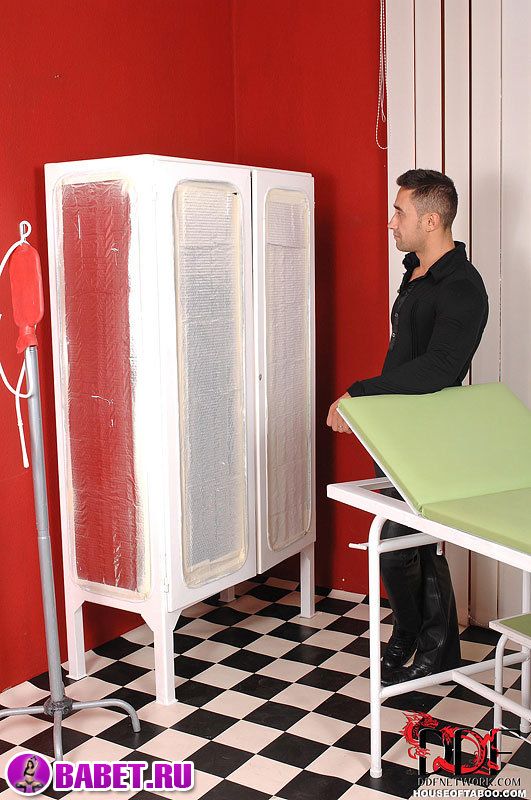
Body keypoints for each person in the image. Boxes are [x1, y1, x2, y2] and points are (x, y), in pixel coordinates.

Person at [326, 169, 489, 686]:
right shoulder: (415, 271)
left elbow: (440, 368)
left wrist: (359, 391)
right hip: (398, 430)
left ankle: (438, 649)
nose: (390, 221)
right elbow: (404, 355)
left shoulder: (463, 287)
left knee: (413, 542)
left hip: (432, 435)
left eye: (400, 212)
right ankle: (409, 633)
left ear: (432, 220)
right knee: (399, 545)